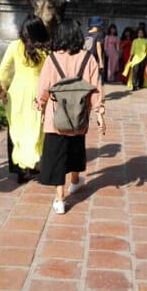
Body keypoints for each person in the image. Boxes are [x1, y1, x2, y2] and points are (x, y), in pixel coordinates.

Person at [36, 19, 105, 215]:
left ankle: (60, 199)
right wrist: (100, 112)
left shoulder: (52, 59)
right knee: (75, 149)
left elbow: (43, 88)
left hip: (55, 116)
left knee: (58, 156)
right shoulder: (88, 59)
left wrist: (41, 107)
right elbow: (95, 89)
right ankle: (74, 182)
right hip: (79, 115)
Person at [0, 15, 49, 183]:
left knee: (17, 129)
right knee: (35, 128)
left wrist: (4, 88)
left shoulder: (14, 46)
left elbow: (4, 69)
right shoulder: (46, 50)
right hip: (37, 92)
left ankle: (19, 168)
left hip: (17, 92)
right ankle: (34, 164)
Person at [86, 16, 105, 83]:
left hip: (86, 57)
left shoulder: (87, 33)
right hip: (94, 58)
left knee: (87, 76)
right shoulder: (99, 34)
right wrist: (101, 61)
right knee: (95, 76)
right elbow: (98, 47)